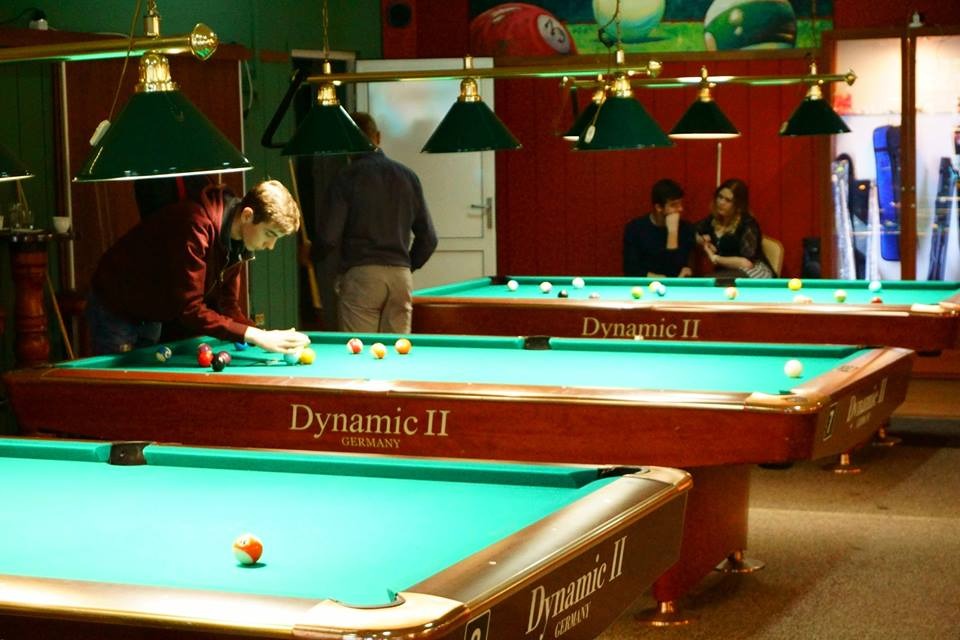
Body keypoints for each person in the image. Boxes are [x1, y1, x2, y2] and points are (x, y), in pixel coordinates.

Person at [87, 179, 311, 355]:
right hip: (117, 304)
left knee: (144, 388)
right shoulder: (196, 225)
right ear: (247, 215)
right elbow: (190, 308)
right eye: (270, 234)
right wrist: (255, 336)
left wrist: (263, 335)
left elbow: (227, 305)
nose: (271, 246)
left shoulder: (236, 243)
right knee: (118, 391)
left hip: (152, 310)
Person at [311, 112, 438, 333]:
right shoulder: (408, 176)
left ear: (345, 142)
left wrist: (312, 254)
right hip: (400, 278)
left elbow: (328, 238)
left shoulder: (345, 177)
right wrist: (406, 266)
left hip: (363, 276)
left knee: (360, 350)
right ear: (377, 137)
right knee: (397, 350)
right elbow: (429, 239)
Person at [695, 178, 774, 278]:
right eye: (720, 197)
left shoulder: (748, 224)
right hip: (727, 272)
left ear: (738, 205)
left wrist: (715, 258)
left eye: (728, 200)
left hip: (754, 272)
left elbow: (747, 263)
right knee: (710, 281)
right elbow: (692, 231)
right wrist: (704, 242)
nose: (721, 202)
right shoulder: (712, 220)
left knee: (712, 281)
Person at [623, 178, 696, 277]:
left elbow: (674, 270)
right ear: (659, 207)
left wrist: (672, 233)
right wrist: (657, 278)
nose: (680, 209)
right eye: (674, 205)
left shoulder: (686, 229)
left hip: (677, 285)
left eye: (680, 203)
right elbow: (630, 269)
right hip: (645, 284)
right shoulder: (635, 229)